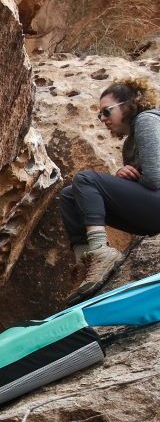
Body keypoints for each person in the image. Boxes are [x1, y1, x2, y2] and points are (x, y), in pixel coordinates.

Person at [59, 78, 160, 302]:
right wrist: (127, 178)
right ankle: (86, 263)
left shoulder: (147, 120)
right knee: (69, 195)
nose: (103, 119)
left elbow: (154, 179)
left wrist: (134, 177)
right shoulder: (129, 144)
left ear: (129, 104)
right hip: (151, 212)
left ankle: (100, 251)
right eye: (100, 115)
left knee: (85, 178)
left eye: (107, 111)